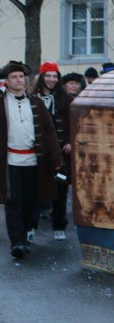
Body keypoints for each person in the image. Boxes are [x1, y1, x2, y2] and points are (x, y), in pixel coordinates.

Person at [1, 61, 62, 259]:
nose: (18, 80)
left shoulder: (36, 102)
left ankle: (26, 234)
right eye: (14, 77)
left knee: (31, 201)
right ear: (7, 81)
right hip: (10, 161)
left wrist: (56, 159)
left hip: (34, 162)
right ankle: (17, 242)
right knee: (14, 202)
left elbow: (49, 132)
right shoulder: (1, 103)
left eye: (21, 77)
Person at [31, 62, 72, 241]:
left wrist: (70, 141)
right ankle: (31, 225)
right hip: (39, 154)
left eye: (54, 76)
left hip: (60, 154)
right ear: (42, 77)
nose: (51, 79)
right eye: (48, 75)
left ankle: (59, 224)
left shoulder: (65, 98)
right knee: (35, 189)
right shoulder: (32, 98)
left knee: (61, 188)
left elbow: (74, 123)